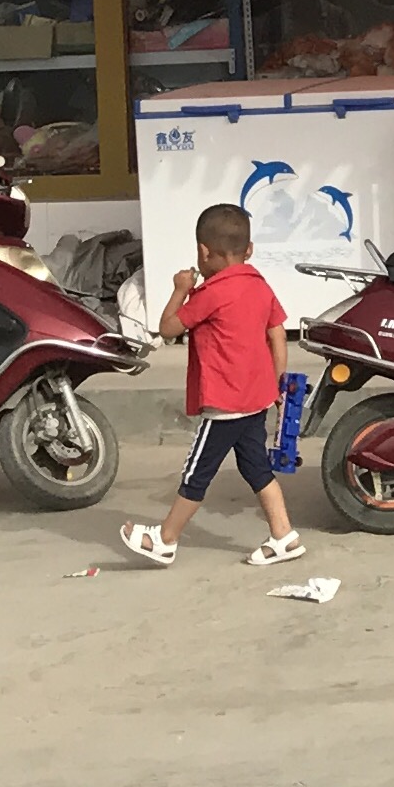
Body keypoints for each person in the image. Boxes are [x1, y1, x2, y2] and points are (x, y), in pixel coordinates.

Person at [119, 201, 301, 567]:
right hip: (256, 398)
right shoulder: (260, 287)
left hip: (224, 405)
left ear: (204, 252)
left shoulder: (210, 294)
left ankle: (165, 540)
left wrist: (180, 289)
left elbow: (167, 329)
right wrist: (277, 384)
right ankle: (284, 535)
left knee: (196, 472)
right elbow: (277, 335)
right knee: (256, 468)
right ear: (249, 250)